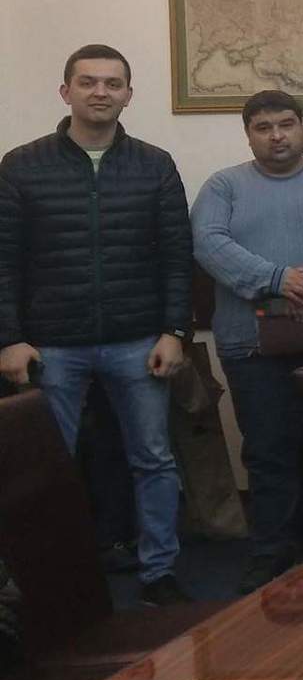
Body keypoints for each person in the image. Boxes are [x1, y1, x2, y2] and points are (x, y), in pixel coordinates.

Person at [0, 45, 193, 606]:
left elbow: (176, 257)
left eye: (113, 83)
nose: (100, 92)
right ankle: (52, 581)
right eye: (88, 82)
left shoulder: (154, 164)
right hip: (50, 345)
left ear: (129, 94)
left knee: (153, 460)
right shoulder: (22, 165)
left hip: (138, 340)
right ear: (66, 92)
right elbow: (4, 260)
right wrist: (9, 338)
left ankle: (160, 572)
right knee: (44, 467)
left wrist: (175, 332)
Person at [191, 89, 303, 592]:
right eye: (263, 127)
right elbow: (208, 242)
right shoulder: (224, 185)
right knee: (267, 450)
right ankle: (271, 551)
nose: (276, 136)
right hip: (250, 346)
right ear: (248, 134)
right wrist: (277, 279)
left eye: (285, 124)